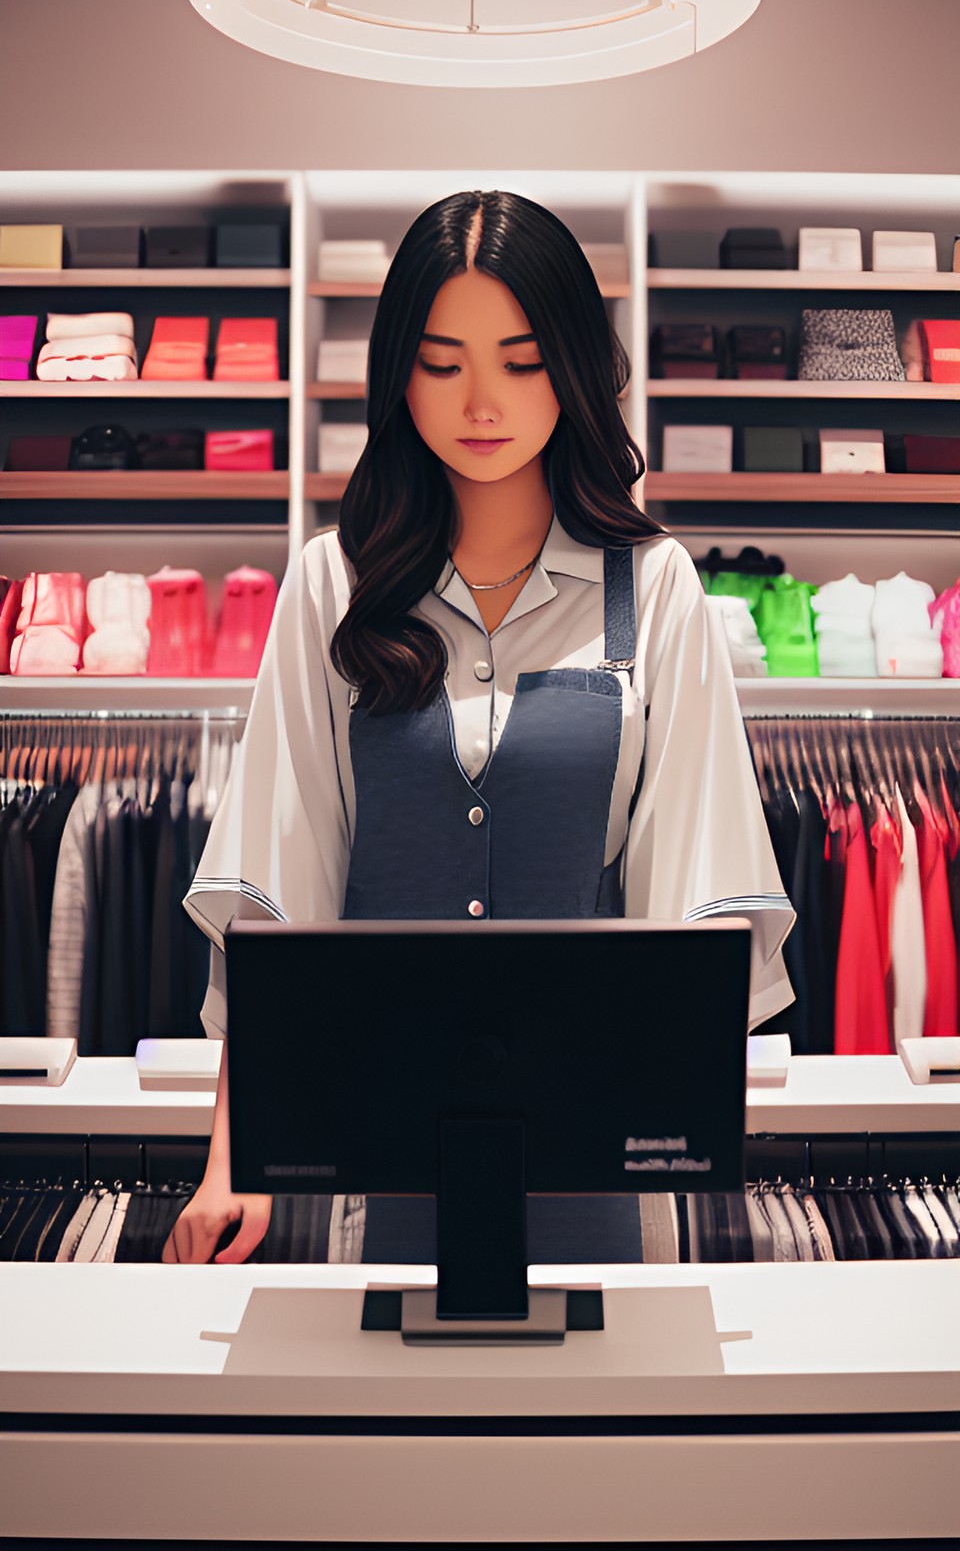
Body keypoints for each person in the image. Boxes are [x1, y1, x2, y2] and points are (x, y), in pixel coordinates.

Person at [162, 190, 794, 1266]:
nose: (482, 400)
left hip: (593, 1158)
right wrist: (231, 1157)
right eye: (443, 361)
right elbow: (278, 889)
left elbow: (699, 909)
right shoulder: (333, 586)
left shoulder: (655, 593)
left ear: (576, 370)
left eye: (521, 358)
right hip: (368, 1151)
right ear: (399, 373)